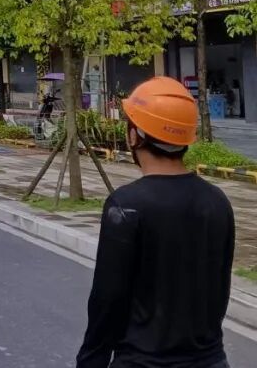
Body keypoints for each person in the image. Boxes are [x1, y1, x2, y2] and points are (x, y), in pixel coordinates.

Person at [76, 76, 235, 368]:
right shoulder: (217, 202)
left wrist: (90, 361)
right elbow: (219, 291)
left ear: (134, 135)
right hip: (210, 360)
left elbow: (107, 301)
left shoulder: (126, 206)